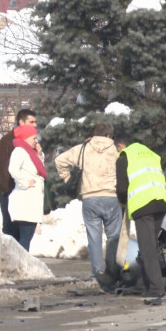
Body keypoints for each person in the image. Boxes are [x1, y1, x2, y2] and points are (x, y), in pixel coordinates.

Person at [55, 123, 122, 291]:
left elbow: (59, 160)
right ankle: (113, 274)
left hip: (89, 198)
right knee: (114, 237)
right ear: (109, 136)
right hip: (111, 197)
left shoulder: (83, 149)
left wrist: (68, 179)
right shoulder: (116, 150)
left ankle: (97, 274)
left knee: (94, 238)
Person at [115, 133, 166, 305]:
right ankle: (146, 283)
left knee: (147, 249)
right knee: (150, 246)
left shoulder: (124, 157)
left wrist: (122, 201)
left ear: (121, 146)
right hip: (161, 201)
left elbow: (122, 188)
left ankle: (156, 288)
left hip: (143, 205)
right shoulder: (149, 153)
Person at [0, 109, 39, 241]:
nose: (35, 125)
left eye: (35, 122)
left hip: (26, 193)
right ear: (21, 122)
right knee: (11, 234)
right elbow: (3, 169)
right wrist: (12, 190)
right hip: (9, 192)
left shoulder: (31, 141)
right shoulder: (8, 141)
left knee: (24, 234)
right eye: (31, 122)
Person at [8, 124, 46, 252]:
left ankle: (22, 261)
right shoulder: (20, 151)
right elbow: (13, 169)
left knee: (27, 238)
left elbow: (38, 170)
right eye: (33, 138)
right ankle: (21, 262)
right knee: (25, 239)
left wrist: (39, 154)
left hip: (31, 202)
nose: (36, 140)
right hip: (25, 202)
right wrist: (24, 183)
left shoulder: (30, 152)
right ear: (25, 138)